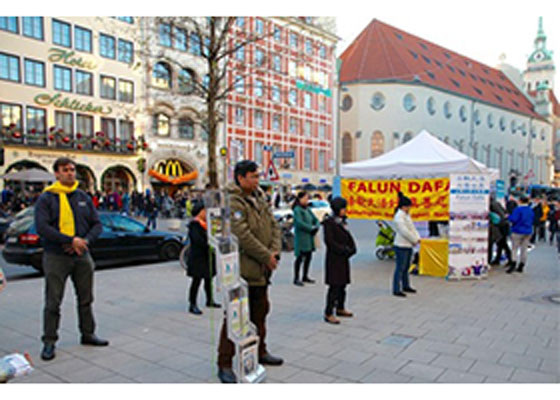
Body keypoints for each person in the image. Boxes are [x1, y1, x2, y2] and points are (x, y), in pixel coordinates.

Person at [34, 157, 107, 361]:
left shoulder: (82, 196)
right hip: (56, 256)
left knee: (86, 299)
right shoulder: (47, 199)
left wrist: (84, 241)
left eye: (72, 169)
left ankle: (88, 333)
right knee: (53, 301)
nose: (70, 173)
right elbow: (43, 228)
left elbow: (97, 224)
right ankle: (49, 341)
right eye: (65, 170)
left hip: (82, 254)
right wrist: (69, 240)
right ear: (56, 174)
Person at [217, 160, 283, 384]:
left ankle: (260, 352)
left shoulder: (260, 197)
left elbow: (274, 225)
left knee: (261, 313)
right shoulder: (233, 201)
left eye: (257, 176)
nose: (257, 180)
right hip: (242, 271)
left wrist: (274, 251)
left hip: (262, 271)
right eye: (253, 176)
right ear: (241, 177)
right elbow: (242, 235)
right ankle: (224, 362)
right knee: (235, 318)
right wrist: (266, 256)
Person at [322, 197, 356, 324]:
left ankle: (340, 308)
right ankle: (328, 312)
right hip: (334, 259)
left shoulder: (342, 221)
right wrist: (343, 250)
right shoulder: (329, 222)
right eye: (343, 208)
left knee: (343, 284)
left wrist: (352, 248)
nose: (345, 210)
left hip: (343, 259)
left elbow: (348, 237)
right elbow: (330, 242)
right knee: (334, 286)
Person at [186, 200, 220, 315]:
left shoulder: (207, 224)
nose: (206, 213)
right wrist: (209, 243)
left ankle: (210, 300)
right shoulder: (195, 224)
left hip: (207, 256)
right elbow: (198, 241)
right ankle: (192, 304)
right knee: (196, 281)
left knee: (208, 279)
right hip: (198, 257)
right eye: (205, 211)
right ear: (199, 212)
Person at [392, 192, 420, 297]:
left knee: (406, 267)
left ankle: (406, 285)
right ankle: (396, 288)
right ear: (403, 207)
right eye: (408, 207)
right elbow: (404, 231)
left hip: (408, 245)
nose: (409, 208)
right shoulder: (399, 217)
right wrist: (414, 239)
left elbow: (412, 228)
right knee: (400, 268)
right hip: (401, 245)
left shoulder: (406, 216)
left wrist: (417, 238)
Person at [292, 191, 320, 286]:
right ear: (300, 199)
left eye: (307, 199)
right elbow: (299, 223)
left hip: (309, 237)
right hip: (302, 237)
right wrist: (310, 228)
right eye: (305, 198)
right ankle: (296, 278)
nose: (306, 200)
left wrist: (316, 226)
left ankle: (305, 276)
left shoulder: (307, 209)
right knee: (299, 258)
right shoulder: (297, 210)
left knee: (308, 257)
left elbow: (315, 219)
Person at [507, 195, 534, 274]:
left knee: (514, 248)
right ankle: (522, 265)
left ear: (520, 201)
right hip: (528, 231)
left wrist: (509, 217)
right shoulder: (530, 210)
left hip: (518, 230)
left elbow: (514, 219)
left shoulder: (518, 209)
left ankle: (513, 263)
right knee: (524, 249)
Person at [489, 195, 512, 266]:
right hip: (503, 226)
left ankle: (491, 260)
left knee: (497, 243)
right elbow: (504, 213)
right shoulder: (496, 203)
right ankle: (499, 259)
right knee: (502, 244)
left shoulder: (491, 205)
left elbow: (500, 216)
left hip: (498, 227)